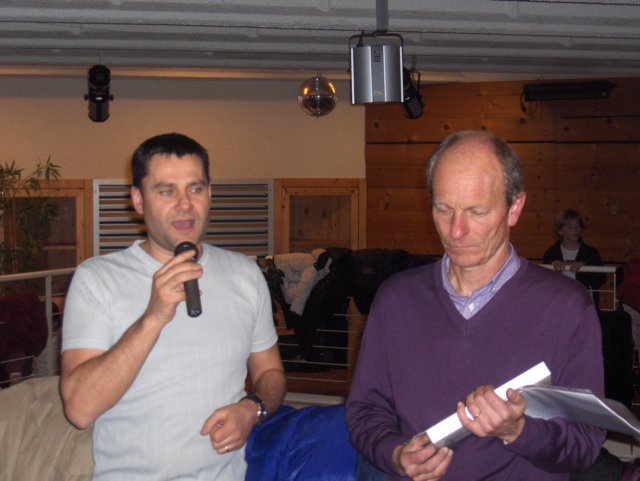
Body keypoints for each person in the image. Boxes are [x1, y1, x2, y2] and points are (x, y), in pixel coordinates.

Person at [345, 130, 606, 480]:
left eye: (476, 212)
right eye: (443, 209)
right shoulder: (396, 299)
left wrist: (518, 431)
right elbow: (364, 411)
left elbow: (585, 444)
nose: (456, 231)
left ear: (515, 208)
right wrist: (394, 453)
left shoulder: (566, 308)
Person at [60, 133, 286, 480]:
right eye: (166, 191)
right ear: (138, 199)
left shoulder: (245, 274)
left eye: (195, 188)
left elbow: (271, 374)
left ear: (210, 194)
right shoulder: (97, 280)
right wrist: (153, 317)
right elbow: (79, 410)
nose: (185, 204)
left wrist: (252, 409)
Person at [543, 209, 606, 307]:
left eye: (578, 226)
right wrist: (552, 267)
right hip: (558, 301)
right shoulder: (551, 253)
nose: (575, 230)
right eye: (570, 227)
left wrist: (585, 268)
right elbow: (543, 279)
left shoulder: (590, 253)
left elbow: (601, 279)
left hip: (583, 302)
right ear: (560, 231)